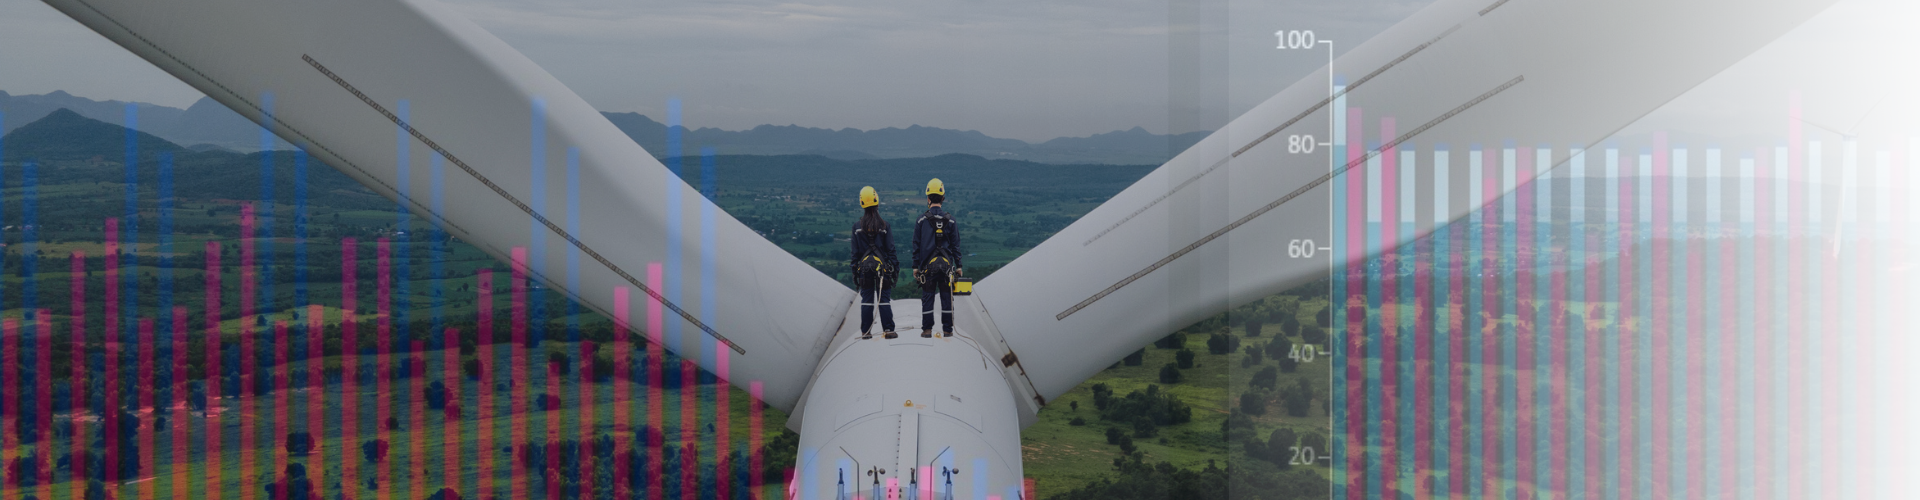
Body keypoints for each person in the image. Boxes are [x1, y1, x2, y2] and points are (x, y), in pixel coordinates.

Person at [912, 178, 962, 338]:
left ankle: (927, 330)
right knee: (947, 297)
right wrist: (959, 265)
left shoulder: (921, 220)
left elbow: (916, 245)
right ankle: (948, 329)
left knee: (927, 297)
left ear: (928, 198)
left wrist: (915, 266)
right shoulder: (951, 220)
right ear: (943, 198)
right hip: (947, 267)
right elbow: (956, 245)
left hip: (928, 267)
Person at [850, 186, 899, 339]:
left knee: (867, 300)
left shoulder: (857, 228)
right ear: (877, 201)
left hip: (865, 271)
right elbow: (891, 250)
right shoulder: (884, 226)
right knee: (883, 299)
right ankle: (889, 329)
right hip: (882, 270)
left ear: (862, 203)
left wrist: (855, 272)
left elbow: (855, 253)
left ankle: (866, 331)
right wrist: (895, 269)